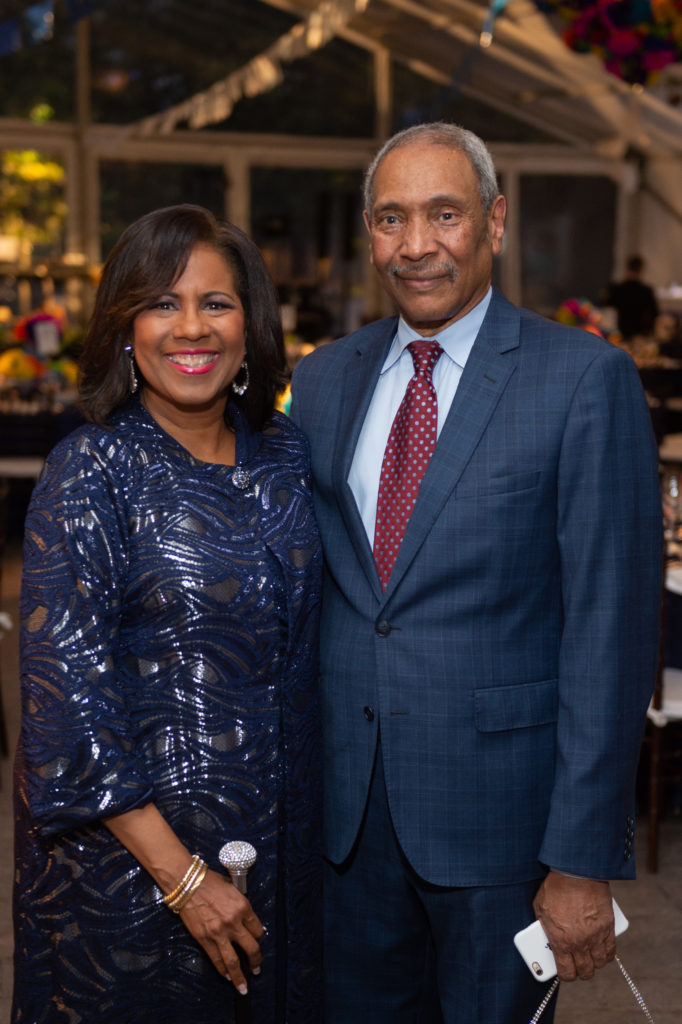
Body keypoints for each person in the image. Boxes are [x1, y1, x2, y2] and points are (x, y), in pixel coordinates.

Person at [290, 123, 663, 1023]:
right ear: (370, 233)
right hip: (346, 824)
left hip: (504, 831)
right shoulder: (324, 380)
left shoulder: (584, 379)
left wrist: (580, 859)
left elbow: (611, 634)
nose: (416, 244)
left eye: (444, 214)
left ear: (495, 222)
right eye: (392, 218)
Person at [13, 204, 322, 1024]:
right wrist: (185, 881)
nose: (191, 328)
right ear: (125, 326)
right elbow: (68, 710)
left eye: (216, 303)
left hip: (279, 860)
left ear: (250, 323)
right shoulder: (92, 470)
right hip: (134, 878)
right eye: (161, 303)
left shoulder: (286, 456)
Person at [604, 254, 659, 341]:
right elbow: (655, 312)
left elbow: (606, 303)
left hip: (622, 330)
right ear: (641, 270)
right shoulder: (646, 290)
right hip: (640, 333)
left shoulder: (618, 288)